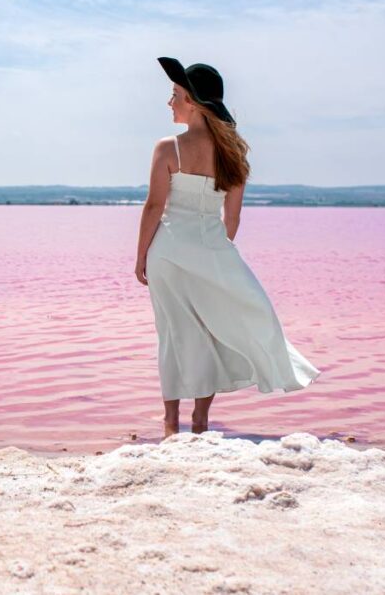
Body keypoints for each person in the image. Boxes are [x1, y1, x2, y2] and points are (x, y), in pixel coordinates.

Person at [134, 57, 322, 441]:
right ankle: (200, 422)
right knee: (211, 331)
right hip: (212, 250)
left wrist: (140, 258)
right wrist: (213, 254)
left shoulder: (167, 148)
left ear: (195, 102)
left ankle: (171, 424)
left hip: (167, 251)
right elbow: (231, 220)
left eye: (175, 95)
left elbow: (154, 206)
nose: (169, 102)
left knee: (173, 333)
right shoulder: (233, 153)